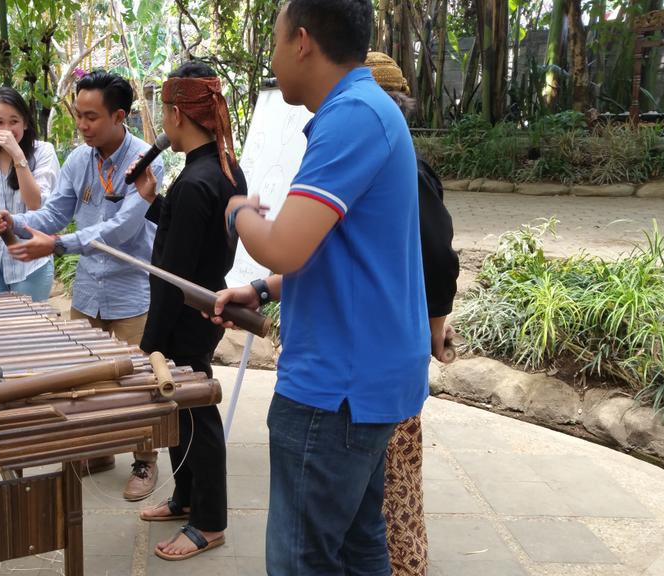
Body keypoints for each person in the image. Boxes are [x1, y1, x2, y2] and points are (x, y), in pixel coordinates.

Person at [208, 0, 430, 572]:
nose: (274, 57)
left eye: (277, 41)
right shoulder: (366, 111)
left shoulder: (352, 116)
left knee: (300, 561)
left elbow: (283, 241)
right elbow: (341, 253)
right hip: (364, 380)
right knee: (359, 548)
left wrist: (237, 211)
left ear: (302, 41)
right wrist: (260, 290)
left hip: (337, 391)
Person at [0, 70, 165, 500]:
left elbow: (121, 229)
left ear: (120, 116)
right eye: (78, 116)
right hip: (88, 293)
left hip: (131, 292)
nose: (82, 126)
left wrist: (57, 246)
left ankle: (145, 460)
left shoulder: (145, 161)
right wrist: (15, 221)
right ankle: (99, 451)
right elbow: (51, 215)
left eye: (91, 117)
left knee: (139, 382)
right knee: (85, 380)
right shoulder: (79, 159)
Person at [126, 61, 246, 561]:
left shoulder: (198, 180)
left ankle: (209, 521)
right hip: (200, 304)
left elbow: (171, 278)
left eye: (162, 112)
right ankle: (185, 496)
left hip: (186, 315)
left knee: (196, 412)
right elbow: (191, 242)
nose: (161, 123)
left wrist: (149, 343)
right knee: (183, 410)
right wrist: (155, 200)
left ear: (177, 113)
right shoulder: (219, 168)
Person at [364, 50, 459, 576]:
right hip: (372, 352)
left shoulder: (408, 172)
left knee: (392, 483)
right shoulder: (376, 164)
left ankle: (405, 567)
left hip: (392, 352)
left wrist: (435, 330)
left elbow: (438, 257)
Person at [0, 87, 60, 301]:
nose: (7, 129)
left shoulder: (44, 152)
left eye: (14, 121)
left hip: (30, 265)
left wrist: (17, 154)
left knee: (29, 331)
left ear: (25, 123)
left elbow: (36, 204)